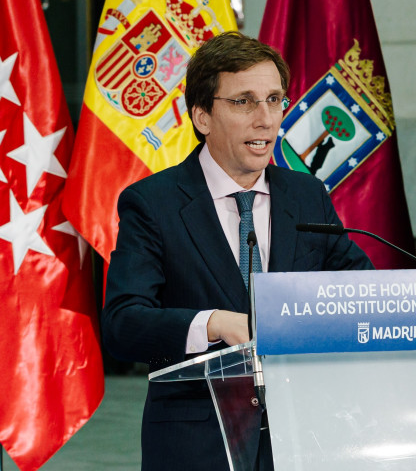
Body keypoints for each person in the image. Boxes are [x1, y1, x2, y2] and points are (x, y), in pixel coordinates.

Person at [101, 31, 373, 470]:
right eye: (244, 102)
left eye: (274, 100)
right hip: (199, 446)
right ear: (202, 116)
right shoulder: (153, 203)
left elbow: (358, 291)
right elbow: (123, 324)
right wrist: (213, 323)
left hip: (305, 438)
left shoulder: (306, 195)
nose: (265, 119)